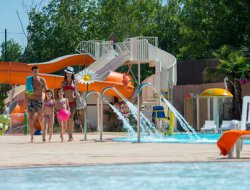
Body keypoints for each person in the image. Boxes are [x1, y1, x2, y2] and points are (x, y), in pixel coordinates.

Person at [25, 65, 48, 143]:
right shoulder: (29, 80)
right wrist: (25, 102)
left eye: (37, 71)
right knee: (30, 119)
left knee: (41, 118)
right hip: (31, 100)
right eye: (34, 71)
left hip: (39, 101)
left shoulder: (42, 80)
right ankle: (31, 137)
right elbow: (26, 92)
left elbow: (47, 90)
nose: (36, 73)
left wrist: (48, 100)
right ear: (32, 72)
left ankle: (43, 136)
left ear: (38, 71)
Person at [61, 66, 76, 141]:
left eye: (70, 72)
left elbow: (78, 91)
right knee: (65, 120)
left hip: (72, 103)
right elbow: (60, 92)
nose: (68, 74)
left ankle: (70, 136)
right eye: (67, 72)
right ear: (65, 73)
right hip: (65, 103)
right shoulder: (63, 83)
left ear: (72, 74)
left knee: (70, 119)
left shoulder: (75, 82)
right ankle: (63, 134)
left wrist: (77, 95)